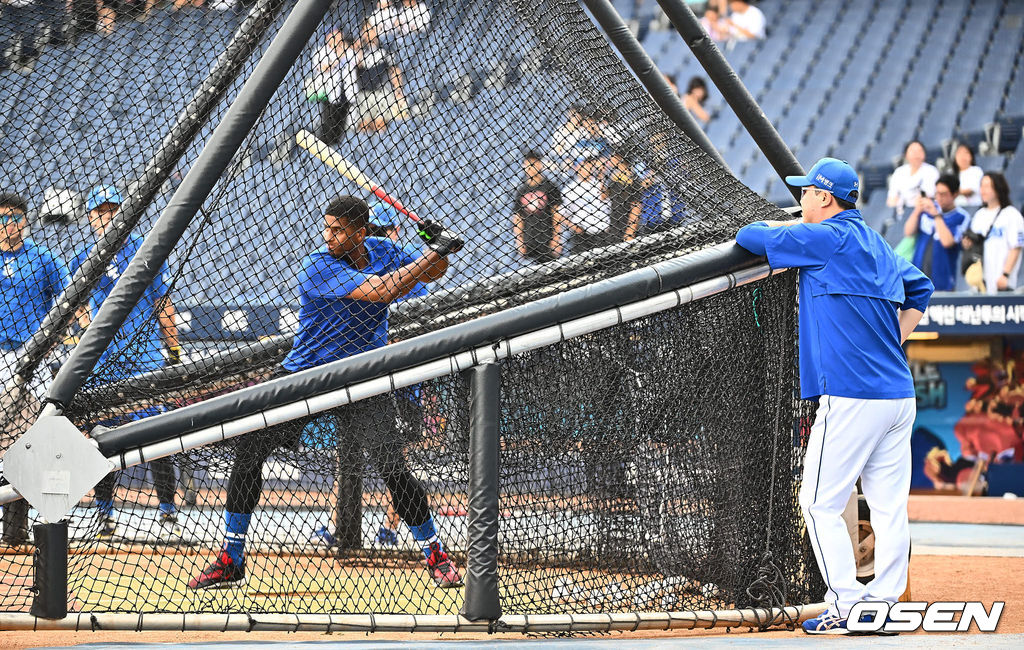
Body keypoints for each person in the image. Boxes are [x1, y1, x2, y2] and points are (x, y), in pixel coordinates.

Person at [188, 195, 463, 589]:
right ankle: (231, 558)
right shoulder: (318, 264)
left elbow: (433, 272)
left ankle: (435, 555)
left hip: (364, 376)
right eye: (327, 227)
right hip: (307, 376)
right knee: (249, 449)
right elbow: (382, 292)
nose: (329, 236)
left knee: (393, 469)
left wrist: (438, 247)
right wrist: (431, 252)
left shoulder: (383, 249)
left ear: (361, 232)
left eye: (338, 230)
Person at [735, 158, 934, 635]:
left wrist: (784, 222)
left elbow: (751, 237)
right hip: (897, 394)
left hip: (852, 396)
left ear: (825, 198)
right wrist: (896, 342)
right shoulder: (879, 245)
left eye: (807, 193)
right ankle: (886, 604)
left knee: (818, 502)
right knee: (888, 507)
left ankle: (847, 603)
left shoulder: (825, 237)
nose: (800, 199)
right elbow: (922, 288)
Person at [73, 185, 183, 540]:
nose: (107, 217)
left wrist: (175, 352)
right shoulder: (84, 258)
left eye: (112, 209)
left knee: (158, 435)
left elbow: (162, 301)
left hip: (145, 355)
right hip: (104, 359)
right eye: (99, 211)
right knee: (102, 437)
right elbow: (78, 309)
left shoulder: (146, 248)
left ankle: (168, 517)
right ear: (90, 217)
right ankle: (104, 517)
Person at [0, 192, 70, 546]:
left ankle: (17, 525)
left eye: (13, 218)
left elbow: (69, 301)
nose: (7, 225)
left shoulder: (44, 260)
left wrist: (59, 337)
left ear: (25, 221)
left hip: (33, 356)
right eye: (1, 219)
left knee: (30, 438)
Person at [902, 174, 969, 291]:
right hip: (918, 278)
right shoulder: (928, 209)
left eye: (943, 194)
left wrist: (937, 216)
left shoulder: (961, 217)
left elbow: (947, 242)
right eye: (936, 193)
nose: (939, 197)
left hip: (943, 281)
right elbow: (908, 232)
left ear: (955, 194)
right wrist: (918, 210)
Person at [963, 172, 1023, 294]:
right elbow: (974, 246)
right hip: (981, 282)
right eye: (981, 186)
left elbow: (1016, 247)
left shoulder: (1011, 214)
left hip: (1001, 281)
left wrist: (1006, 274)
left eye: (987, 186)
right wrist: (968, 244)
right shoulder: (979, 215)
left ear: (998, 188)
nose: (983, 191)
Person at [351, 19, 409, 132]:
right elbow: (353, 65)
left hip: (381, 95)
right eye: (365, 31)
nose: (368, 33)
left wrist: (398, 91)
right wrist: (357, 49)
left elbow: (395, 70)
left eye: (370, 30)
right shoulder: (359, 50)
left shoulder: (385, 49)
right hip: (363, 95)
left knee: (380, 126)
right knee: (363, 126)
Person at [513, 150, 564, 263]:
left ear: (540, 164)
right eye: (528, 164)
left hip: (547, 240)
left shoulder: (550, 187)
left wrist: (556, 239)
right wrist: (520, 243)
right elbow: (518, 218)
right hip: (529, 242)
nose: (531, 167)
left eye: (534, 163)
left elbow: (557, 214)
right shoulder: (521, 191)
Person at [310, 28, 358, 144]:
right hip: (330, 92)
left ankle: (336, 143)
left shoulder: (349, 51)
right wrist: (338, 57)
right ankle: (324, 142)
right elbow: (323, 68)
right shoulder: (321, 51)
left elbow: (358, 60)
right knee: (328, 122)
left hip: (347, 92)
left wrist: (347, 48)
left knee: (341, 123)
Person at [562, 156, 611, 253]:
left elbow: (604, 197)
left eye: (587, 165)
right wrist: (574, 227)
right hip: (581, 235)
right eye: (582, 165)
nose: (585, 168)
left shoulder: (599, 184)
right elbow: (562, 214)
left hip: (602, 233)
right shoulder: (569, 189)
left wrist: (601, 174)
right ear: (576, 168)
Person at [886, 140, 940, 216]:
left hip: (923, 211)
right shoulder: (899, 172)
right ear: (906, 154)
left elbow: (928, 196)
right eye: (912, 151)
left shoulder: (931, 171)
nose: (916, 154)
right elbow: (891, 199)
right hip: (900, 212)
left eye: (919, 151)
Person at [606, 151, 641, 242]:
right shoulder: (613, 177)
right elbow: (604, 197)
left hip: (626, 225)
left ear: (620, 158)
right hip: (614, 225)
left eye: (613, 156)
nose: (610, 159)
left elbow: (636, 206)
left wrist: (630, 231)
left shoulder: (633, 179)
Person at [952, 143, 983, 208]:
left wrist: (952, 192)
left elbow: (970, 191)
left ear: (971, 156)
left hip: (973, 207)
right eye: (959, 154)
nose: (962, 157)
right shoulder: (952, 174)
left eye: (966, 153)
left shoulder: (976, 170)